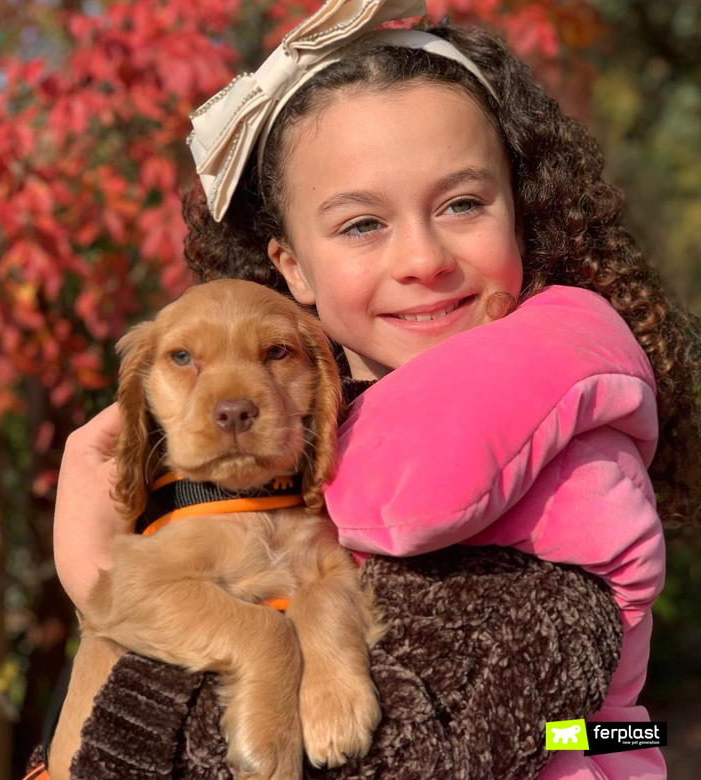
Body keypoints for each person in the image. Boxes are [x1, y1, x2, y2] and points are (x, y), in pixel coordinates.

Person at [44, 0, 700, 778]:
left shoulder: (556, 459)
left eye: (462, 204)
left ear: (522, 217)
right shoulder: (326, 429)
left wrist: (95, 584)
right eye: (362, 224)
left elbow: (425, 751)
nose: (423, 257)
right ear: (289, 266)